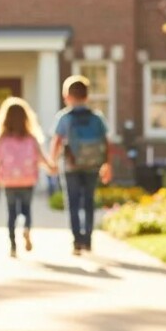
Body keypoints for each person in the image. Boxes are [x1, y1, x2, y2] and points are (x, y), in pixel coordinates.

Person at [0, 97, 55, 257]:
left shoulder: (1, 140)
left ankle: (13, 246)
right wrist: (51, 167)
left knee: (11, 213)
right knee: (26, 209)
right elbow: (41, 158)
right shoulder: (31, 139)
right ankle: (26, 228)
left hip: (8, 181)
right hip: (28, 180)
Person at [50, 75, 112, 254]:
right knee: (89, 202)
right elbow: (106, 143)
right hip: (93, 165)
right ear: (87, 96)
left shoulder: (64, 117)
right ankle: (88, 240)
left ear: (67, 96)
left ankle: (77, 241)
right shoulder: (97, 117)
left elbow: (56, 141)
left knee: (73, 203)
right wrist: (107, 165)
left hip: (71, 166)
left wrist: (52, 162)